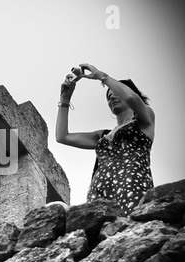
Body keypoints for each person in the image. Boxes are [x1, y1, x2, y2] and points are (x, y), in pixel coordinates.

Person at [55, 63, 155, 215]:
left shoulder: (144, 120)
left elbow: (131, 96)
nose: (112, 97)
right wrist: (65, 97)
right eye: (108, 97)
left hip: (132, 188)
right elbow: (62, 136)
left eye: (115, 92)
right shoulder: (103, 135)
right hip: (99, 194)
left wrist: (101, 76)